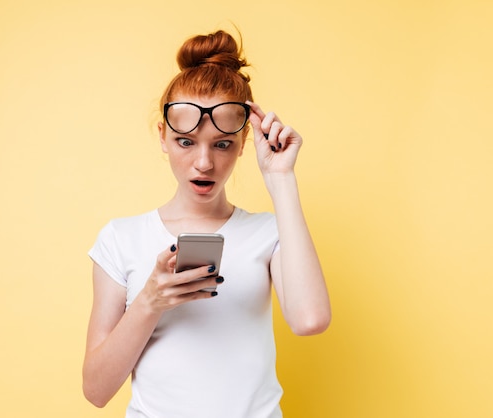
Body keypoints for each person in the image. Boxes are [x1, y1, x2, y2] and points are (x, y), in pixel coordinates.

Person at [83, 29, 331, 418]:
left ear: (244, 143)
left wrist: (281, 179)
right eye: (186, 141)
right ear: (163, 137)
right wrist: (150, 301)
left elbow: (310, 320)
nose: (204, 163)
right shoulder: (121, 238)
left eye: (222, 144)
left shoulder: (268, 233)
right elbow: (96, 390)